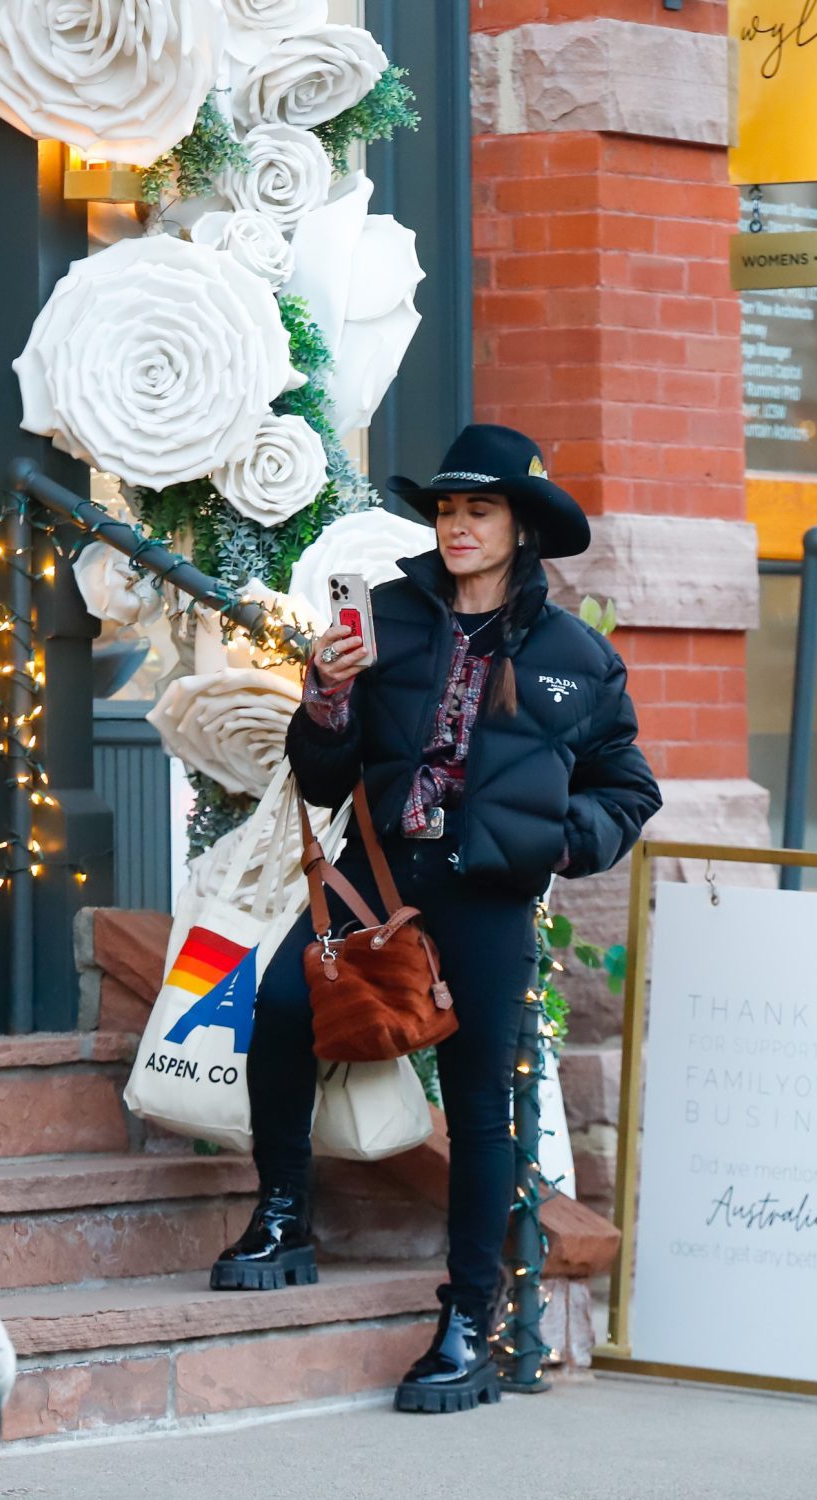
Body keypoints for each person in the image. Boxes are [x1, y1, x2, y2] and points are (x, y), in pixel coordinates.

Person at [210, 424, 662, 1414]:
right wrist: (326, 695)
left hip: (487, 897)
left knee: (480, 1110)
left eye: (478, 510)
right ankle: (284, 1217)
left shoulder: (573, 658)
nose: (456, 526)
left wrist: (549, 840)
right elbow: (322, 773)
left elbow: (627, 790)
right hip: (375, 880)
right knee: (280, 1006)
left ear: (520, 526)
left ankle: (469, 1317)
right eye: (446, 509)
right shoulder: (387, 619)